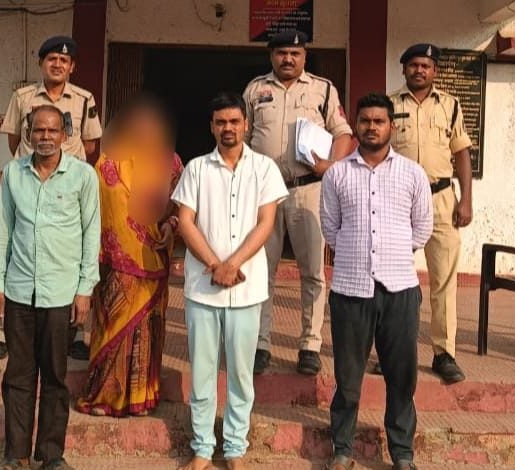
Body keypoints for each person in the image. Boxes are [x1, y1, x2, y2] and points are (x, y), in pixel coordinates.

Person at [172, 92, 288, 470]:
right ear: (211, 127)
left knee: (240, 373)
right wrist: (214, 264)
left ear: (246, 125)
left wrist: (232, 264)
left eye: (234, 121)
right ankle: (203, 448)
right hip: (203, 290)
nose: (228, 128)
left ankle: (235, 447)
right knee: (202, 373)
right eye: (220, 122)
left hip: (246, 288)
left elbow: (266, 223)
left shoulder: (265, 169)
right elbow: (185, 221)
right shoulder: (196, 169)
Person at [320, 93, 433, 470]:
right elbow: (330, 229)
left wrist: (391, 253)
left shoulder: (413, 174)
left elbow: (422, 228)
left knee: (402, 377)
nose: (372, 127)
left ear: (392, 127)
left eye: (379, 121)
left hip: (400, 290)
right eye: (365, 121)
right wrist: (358, 254)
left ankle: (402, 453)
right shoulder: (337, 174)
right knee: (348, 378)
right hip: (350, 290)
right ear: (355, 126)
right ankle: (342, 449)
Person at [0, 104, 101, 470]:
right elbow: (3, 230)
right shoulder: (13, 173)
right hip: (19, 291)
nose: (46, 137)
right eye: (39, 130)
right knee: (18, 376)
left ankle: (51, 455)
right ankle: (16, 454)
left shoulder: (83, 176)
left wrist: (85, 289)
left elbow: (91, 234)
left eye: (53, 130)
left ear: (65, 134)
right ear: (28, 134)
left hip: (61, 293)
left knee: (55, 376)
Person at [0, 35, 103, 362]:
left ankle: (73, 334)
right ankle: (4, 335)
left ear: (72, 66)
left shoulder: (84, 99)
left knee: (69, 253)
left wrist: (66, 168)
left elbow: (90, 144)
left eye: (64, 60)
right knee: (16, 246)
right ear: (41, 63)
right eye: (51, 59)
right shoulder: (22, 97)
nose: (57, 64)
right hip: (29, 182)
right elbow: (14, 140)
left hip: (67, 186)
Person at [243, 29, 353, 376]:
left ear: (304, 55)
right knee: (262, 270)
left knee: (313, 272)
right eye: (281, 53)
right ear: (271, 56)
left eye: (295, 53)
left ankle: (309, 345)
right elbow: (242, 137)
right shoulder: (255, 89)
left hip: (308, 190)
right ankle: (261, 343)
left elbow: (343, 132)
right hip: (265, 192)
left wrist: (332, 166)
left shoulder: (323, 89)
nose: (287, 59)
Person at [76, 95, 183, 417]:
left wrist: (172, 227)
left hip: (153, 261)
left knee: (147, 331)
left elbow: (182, 206)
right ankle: (103, 396)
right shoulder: (105, 164)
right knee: (111, 331)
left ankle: (141, 397)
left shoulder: (171, 164)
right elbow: (91, 213)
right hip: (113, 265)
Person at [390, 43, 473, 384]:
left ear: (434, 70)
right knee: (393, 280)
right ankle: (393, 351)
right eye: (413, 65)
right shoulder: (390, 105)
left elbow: (462, 153)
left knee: (444, 280)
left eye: (425, 65)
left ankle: (444, 353)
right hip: (399, 200)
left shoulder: (450, 105)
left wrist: (465, 200)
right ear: (404, 69)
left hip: (441, 198)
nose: (419, 70)